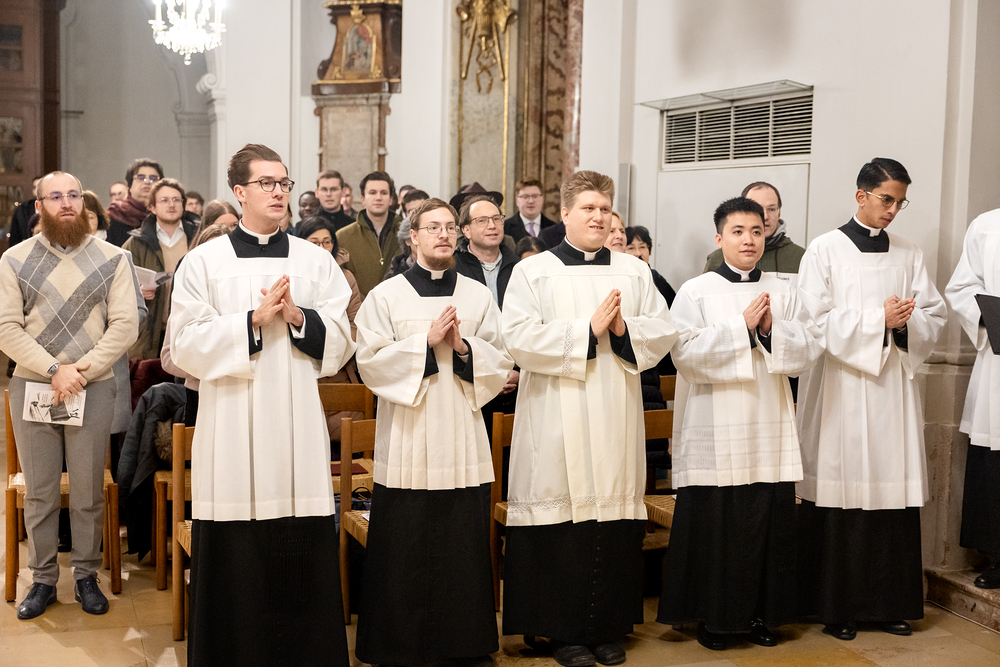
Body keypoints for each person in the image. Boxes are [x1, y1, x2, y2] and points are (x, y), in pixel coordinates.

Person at [168, 143, 355, 666]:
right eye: (266, 183)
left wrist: (298, 318)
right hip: (229, 422)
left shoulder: (315, 261)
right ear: (239, 192)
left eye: (284, 183)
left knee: (300, 536)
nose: (278, 192)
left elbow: (343, 337)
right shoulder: (204, 262)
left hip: (296, 423)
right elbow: (183, 345)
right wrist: (250, 322)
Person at [501, 171, 679, 667]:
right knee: (561, 517)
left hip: (615, 410)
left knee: (611, 515)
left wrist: (622, 331)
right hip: (555, 413)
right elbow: (517, 337)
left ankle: (605, 628)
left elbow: (663, 330)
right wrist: (586, 330)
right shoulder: (533, 272)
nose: (598, 217)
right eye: (588, 208)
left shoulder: (634, 272)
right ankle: (561, 633)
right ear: (565, 213)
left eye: (604, 209)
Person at [657, 197, 824, 651]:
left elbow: (810, 347)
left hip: (768, 423)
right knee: (718, 524)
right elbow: (684, 354)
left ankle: (761, 615)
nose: (749, 239)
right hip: (714, 424)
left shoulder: (785, 290)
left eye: (756, 230)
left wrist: (770, 332)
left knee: (766, 522)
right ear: (720, 238)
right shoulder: (695, 291)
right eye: (738, 231)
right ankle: (715, 618)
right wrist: (741, 329)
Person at [354, 197, 513, 667]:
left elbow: (500, 359)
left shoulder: (477, 296)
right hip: (408, 435)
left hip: (461, 434)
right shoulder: (386, 296)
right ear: (413, 238)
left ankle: (465, 645)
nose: (443, 234)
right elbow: (369, 363)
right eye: (432, 227)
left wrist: (463, 349)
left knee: (462, 544)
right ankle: (397, 647)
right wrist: (423, 344)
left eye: (449, 227)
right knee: (403, 544)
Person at [795, 158, 947, 640]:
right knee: (842, 493)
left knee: (889, 493)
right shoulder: (824, 249)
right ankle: (836, 608)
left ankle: (887, 605)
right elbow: (813, 320)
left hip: (892, 392)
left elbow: (934, 314)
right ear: (861, 195)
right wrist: (876, 320)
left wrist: (904, 325)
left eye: (900, 202)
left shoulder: (909, 252)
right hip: (841, 388)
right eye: (886, 199)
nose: (893, 210)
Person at [0, 171, 139, 620]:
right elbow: (6, 328)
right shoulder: (14, 260)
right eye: (55, 196)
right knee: (40, 492)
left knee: (86, 490)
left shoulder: (114, 258)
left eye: (74, 195)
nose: (66, 203)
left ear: (83, 202)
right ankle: (42, 580)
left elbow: (126, 325)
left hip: (92, 386)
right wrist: (54, 370)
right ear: (38, 205)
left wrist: (81, 371)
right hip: (34, 385)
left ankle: (85, 576)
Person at [944, 208, 1000, 589]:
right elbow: (962, 287)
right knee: (995, 463)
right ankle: (998, 557)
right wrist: (989, 319)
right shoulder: (987, 226)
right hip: (998, 359)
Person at [455, 194, 521, 430]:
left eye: (496, 218)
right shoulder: (453, 270)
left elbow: (532, 322)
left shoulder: (520, 268)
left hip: (516, 381)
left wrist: (519, 372)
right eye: (482, 220)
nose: (492, 225)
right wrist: (487, 373)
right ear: (466, 230)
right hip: (467, 380)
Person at [123, 177, 197, 360]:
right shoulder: (137, 242)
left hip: (190, 328)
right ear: (153, 207)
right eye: (164, 200)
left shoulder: (197, 237)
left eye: (176, 200)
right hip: (150, 330)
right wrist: (138, 292)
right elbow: (118, 284)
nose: (171, 205)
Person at [703, 182, 805, 281]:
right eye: (757, 209)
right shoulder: (717, 258)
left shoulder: (801, 257)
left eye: (771, 209)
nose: (765, 216)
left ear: (779, 213)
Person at [337, 170, 401, 298]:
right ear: (363, 199)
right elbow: (339, 280)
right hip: (358, 306)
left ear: (390, 200)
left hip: (398, 304)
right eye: (372, 193)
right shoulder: (343, 236)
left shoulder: (406, 235)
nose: (378, 197)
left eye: (384, 193)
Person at [107, 158, 163, 246]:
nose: (147, 182)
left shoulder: (166, 216)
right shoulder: (115, 215)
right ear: (129, 186)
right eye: (141, 178)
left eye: (153, 178)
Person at [625, 226, 675, 307]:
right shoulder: (620, 279)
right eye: (631, 248)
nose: (638, 253)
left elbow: (673, 306)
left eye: (642, 247)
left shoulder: (655, 277)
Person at [505, 178, 557, 243]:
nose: (531, 201)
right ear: (517, 200)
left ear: (542, 198)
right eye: (525, 196)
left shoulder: (554, 229)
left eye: (535, 196)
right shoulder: (505, 228)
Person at [9, 175, 42, 247]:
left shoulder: (55, 208)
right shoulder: (22, 210)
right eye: (34, 187)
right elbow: (14, 238)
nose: (37, 190)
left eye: (40, 187)